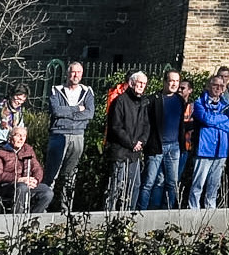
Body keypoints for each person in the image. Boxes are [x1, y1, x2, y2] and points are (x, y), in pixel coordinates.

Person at [39, 61, 94, 212]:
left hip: (78, 136)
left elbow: (89, 113)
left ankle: (66, 210)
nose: (75, 75)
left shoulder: (87, 92)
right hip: (58, 134)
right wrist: (77, 109)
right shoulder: (56, 90)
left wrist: (68, 114)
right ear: (67, 73)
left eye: (79, 72)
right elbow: (56, 112)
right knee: (52, 174)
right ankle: (42, 208)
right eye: (73, 72)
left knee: (70, 176)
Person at [187, 73, 229, 209]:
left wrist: (215, 119)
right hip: (204, 149)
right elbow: (206, 119)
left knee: (214, 186)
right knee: (198, 184)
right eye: (215, 85)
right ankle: (193, 212)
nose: (219, 88)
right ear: (209, 86)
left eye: (222, 86)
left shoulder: (226, 105)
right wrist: (221, 118)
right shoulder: (199, 103)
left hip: (221, 151)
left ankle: (211, 212)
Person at [105, 72, 153, 212]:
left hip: (135, 154)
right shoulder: (119, 101)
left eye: (144, 84)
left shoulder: (144, 102)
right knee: (115, 186)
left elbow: (146, 125)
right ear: (132, 83)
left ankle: (129, 215)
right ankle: (109, 216)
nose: (142, 86)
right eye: (139, 83)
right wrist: (132, 143)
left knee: (135, 186)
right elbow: (116, 127)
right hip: (120, 151)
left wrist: (141, 142)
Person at [140, 71, 187, 210]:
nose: (174, 84)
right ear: (165, 82)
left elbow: (180, 124)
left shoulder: (180, 100)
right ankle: (141, 211)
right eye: (171, 81)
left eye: (177, 81)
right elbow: (147, 123)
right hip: (157, 146)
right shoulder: (154, 99)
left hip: (174, 147)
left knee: (172, 182)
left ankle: (168, 211)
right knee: (149, 182)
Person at [0, 123, 53, 213]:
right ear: (10, 137)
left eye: (24, 136)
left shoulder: (28, 149)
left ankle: (33, 218)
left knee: (47, 192)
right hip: (6, 186)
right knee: (22, 188)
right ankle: (17, 219)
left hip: (26, 182)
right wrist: (19, 179)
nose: (21, 139)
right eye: (18, 136)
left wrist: (35, 180)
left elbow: (37, 169)